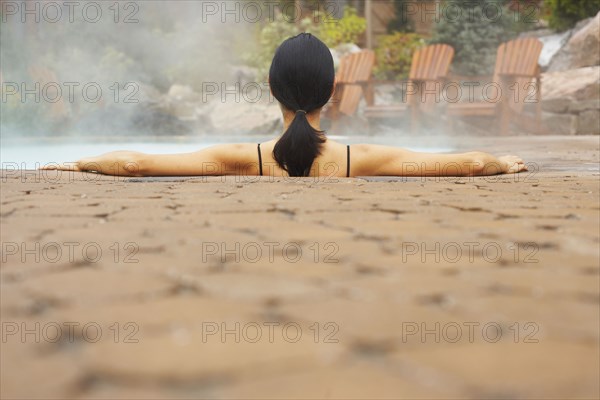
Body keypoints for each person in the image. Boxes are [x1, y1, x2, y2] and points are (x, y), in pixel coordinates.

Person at [41, 33, 527, 178]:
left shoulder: (242, 159)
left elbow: (134, 163)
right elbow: (467, 163)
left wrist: (78, 163)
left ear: (271, 91)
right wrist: (503, 164)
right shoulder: (358, 159)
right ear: (331, 92)